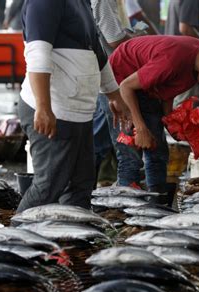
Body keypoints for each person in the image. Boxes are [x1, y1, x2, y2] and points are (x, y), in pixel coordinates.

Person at [17, 0, 129, 211]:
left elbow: (97, 51)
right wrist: (43, 107)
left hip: (79, 110)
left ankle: (69, 239)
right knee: (48, 185)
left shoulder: (83, 2)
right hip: (54, 109)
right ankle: (15, 239)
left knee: (81, 184)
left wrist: (114, 95)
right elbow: (37, 53)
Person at [108, 35, 199, 195]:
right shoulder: (172, 61)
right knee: (131, 155)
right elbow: (126, 87)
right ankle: (125, 207)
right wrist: (140, 127)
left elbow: (168, 88)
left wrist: (170, 121)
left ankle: (156, 201)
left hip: (144, 87)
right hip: (119, 83)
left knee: (157, 151)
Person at [91, 0, 137, 187]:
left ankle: (81, 195)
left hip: (104, 75)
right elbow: (114, 39)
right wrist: (138, 39)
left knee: (101, 140)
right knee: (122, 144)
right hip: (111, 77)